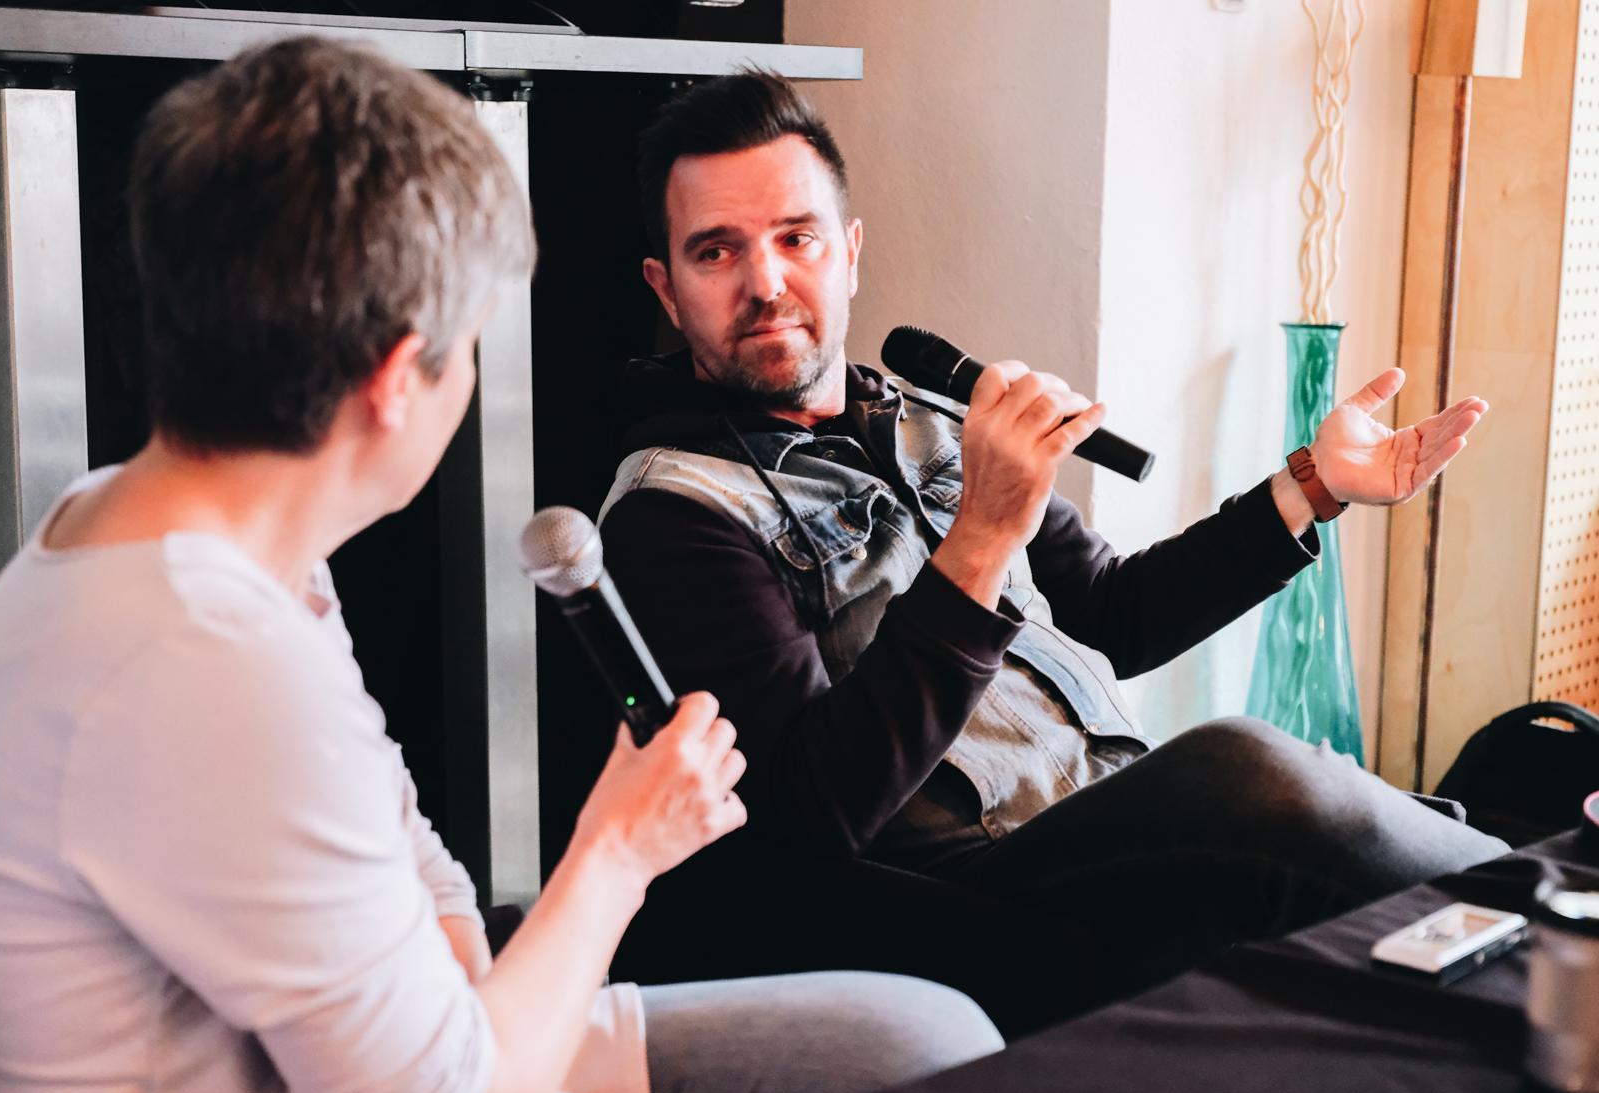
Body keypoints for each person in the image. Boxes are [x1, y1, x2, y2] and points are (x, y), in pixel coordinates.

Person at [0, 41, 1002, 1093]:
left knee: (924, 1047)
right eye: (469, 342)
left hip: (367, 1077)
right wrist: (618, 850)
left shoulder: (193, 530)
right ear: (394, 381)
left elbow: (416, 861)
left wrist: (461, 1072)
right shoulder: (205, 658)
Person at [596, 70, 1510, 1035]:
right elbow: (811, 811)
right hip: (973, 901)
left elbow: (1114, 613)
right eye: (717, 251)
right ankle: (1542, 908)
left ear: (850, 254)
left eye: (797, 238)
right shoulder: (670, 513)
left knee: (1365, 840)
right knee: (1249, 769)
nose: (767, 283)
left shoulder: (928, 418)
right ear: (667, 288)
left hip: (1111, 815)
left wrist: (1312, 487)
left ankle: (1534, 931)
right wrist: (983, 537)